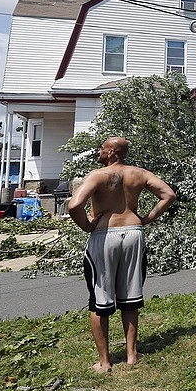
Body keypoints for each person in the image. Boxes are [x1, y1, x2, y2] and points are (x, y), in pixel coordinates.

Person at [68, 136, 176, 373]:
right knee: (130, 295)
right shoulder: (139, 173)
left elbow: (74, 205)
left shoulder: (97, 176)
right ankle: (131, 355)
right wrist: (146, 219)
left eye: (103, 148)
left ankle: (105, 362)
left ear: (113, 153)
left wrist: (87, 226)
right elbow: (168, 195)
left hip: (105, 236)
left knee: (100, 298)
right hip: (133, 234)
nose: (99, 151)